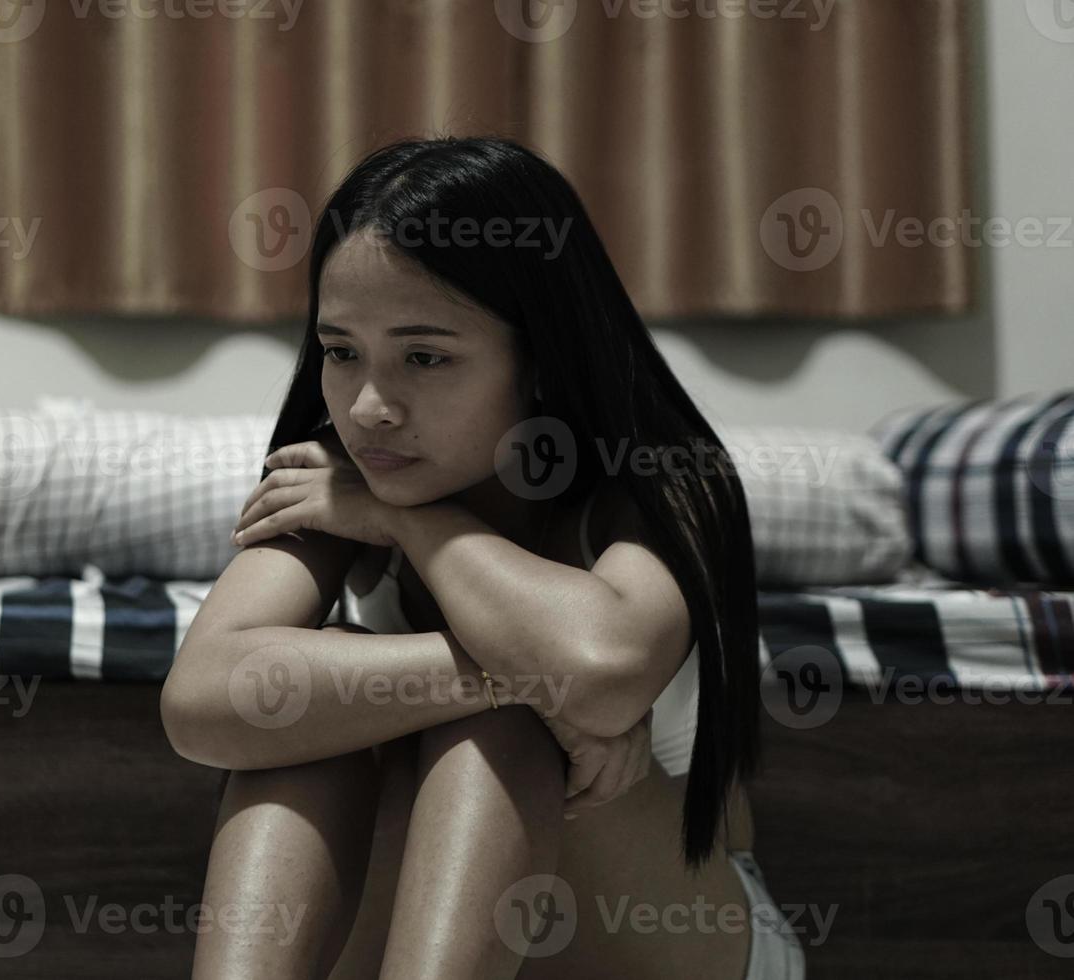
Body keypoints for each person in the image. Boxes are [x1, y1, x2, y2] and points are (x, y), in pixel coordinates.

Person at [160, 135, 805, 980]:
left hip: (663, 944)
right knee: (308, 714)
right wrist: (506, 681)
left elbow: (601, 666)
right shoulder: (337, 478)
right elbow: (201, 702)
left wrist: (412, 529)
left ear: (538, 360)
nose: (370, 406)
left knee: (501, 719)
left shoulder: (652, 485)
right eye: (342, 351)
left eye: (425, 357)